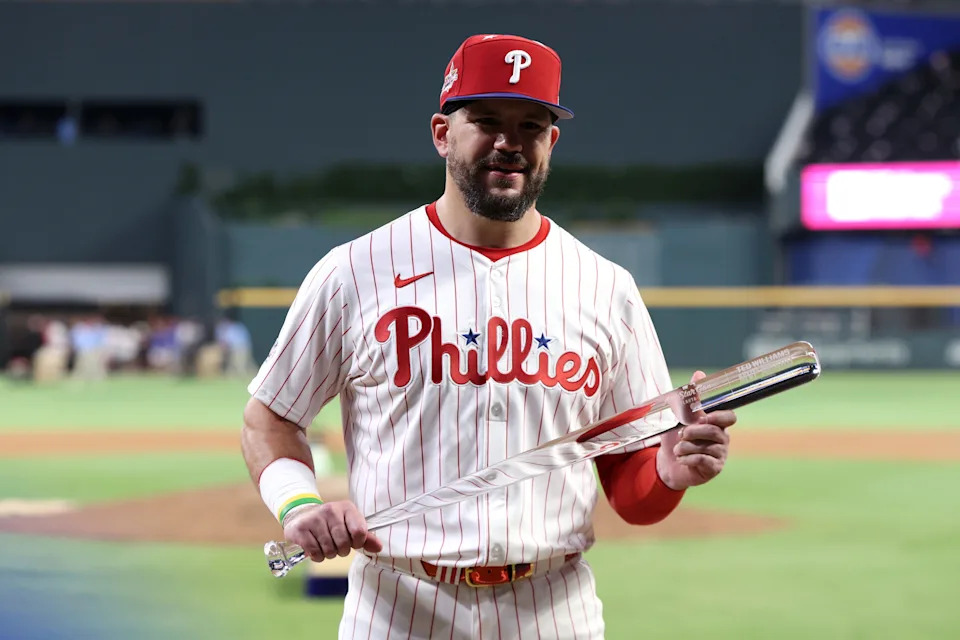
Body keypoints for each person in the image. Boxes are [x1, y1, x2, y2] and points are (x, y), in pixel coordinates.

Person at [241, 34, 736, 639]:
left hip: (553, 609)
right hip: (396, 607)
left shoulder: (607, 289)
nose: (510, 142)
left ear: (551, 143)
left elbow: (634, 491)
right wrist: (300, 505)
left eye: (531, 124)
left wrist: (671, 470)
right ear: (442, 133)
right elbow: (269, 419)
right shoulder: (354, 271)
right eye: (486, 121)